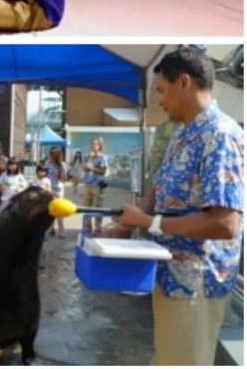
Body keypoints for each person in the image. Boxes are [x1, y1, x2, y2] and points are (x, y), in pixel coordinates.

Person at [104, 46, 243, 366]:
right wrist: (130, 221)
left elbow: (224, 224)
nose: (160, 100)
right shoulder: (184, 134)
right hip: (172, 275)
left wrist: (149, 223)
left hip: (197, 283)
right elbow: (160, 187)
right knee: (168, 357)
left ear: (184, 82)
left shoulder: (219, 135)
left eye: (162, 91)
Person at [82, 137, 108, 235]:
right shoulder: (87, 156)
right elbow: (84, 168)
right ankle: (88, 227)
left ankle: (98, 228)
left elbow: (103, 171)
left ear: (99, 146)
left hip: (97, 184)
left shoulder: (103, 157)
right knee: (86, 206)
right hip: (87, 184)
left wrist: (92, 169)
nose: (93, 146)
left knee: (98, 206)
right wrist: (91, 158)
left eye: (95, 144)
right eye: (91, 144)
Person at [46, 147, 68, 238]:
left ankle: (61, 230)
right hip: (48, 189)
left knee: (59, 210)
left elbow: (64, 178)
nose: (48, 156)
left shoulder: (62, 165)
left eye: (50, 154)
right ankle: (51, 228)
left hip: (58, 190)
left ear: (54, 156)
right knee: (50, 210)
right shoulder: (47, 163)